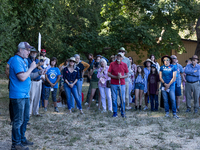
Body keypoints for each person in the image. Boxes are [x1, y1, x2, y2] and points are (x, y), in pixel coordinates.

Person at [9, 42, 37, 150]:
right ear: (21, 50)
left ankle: (21, 139)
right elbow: (21, 77)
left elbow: (29, 76)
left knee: (25, 118)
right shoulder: (16, 60)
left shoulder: (24, 60)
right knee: (18, 120)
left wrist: (39, 72)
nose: (29, 52)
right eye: (27, 50)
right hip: (18, 95)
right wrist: (31, 68)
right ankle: (16, 144)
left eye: (30, 50)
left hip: (25, 95)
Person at [108, 52, 129, 118]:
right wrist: (115, 77)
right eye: (118, 56)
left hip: (122, 83)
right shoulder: (112, 64)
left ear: (122, 58)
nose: (119, 57)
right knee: (114, 99)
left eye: (120, 56)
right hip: (113, 83)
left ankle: (123, 113)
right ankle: (115, 112)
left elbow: (127, 74)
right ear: (116, 57)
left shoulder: (124, 64)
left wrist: (121, 77)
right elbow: (108, 73)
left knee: (122, 99)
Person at [27, 47, 44, 117]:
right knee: (31, 97)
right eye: (33, 52)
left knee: (37, 97)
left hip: (39, 80)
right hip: (32, 81)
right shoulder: (27, 60)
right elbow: (30, 69)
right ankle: (29, 113)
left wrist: (42, 69)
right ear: (30, 53)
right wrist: (38, 65)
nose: (34, 53)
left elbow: (40, 68)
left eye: (35, 52)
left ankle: (36, 112)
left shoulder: (37, 60)